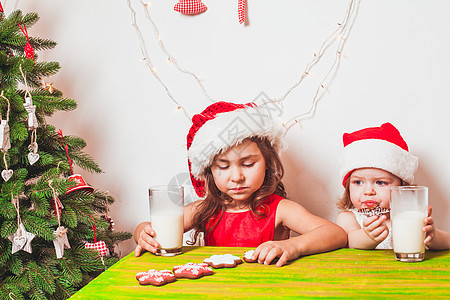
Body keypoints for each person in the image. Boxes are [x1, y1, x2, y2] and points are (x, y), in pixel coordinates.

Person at [135, 101, 347, 267]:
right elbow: (152, 230)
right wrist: (142, 232)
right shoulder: (204, 209)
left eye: (247, 164)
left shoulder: (280, 209)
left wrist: (293, 246)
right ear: (209, 171)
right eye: (223, 167)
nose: (236, 177)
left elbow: (336, 234)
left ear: (267, 163)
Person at [336, 122, 450, 250]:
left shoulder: (408, 217)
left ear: (402, 187)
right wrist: (367, 236)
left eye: (380, 182)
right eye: (358, 182)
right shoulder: (348, 218)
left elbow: (448, 242)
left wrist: (432, 237)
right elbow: (350, 241)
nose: (368, 191)